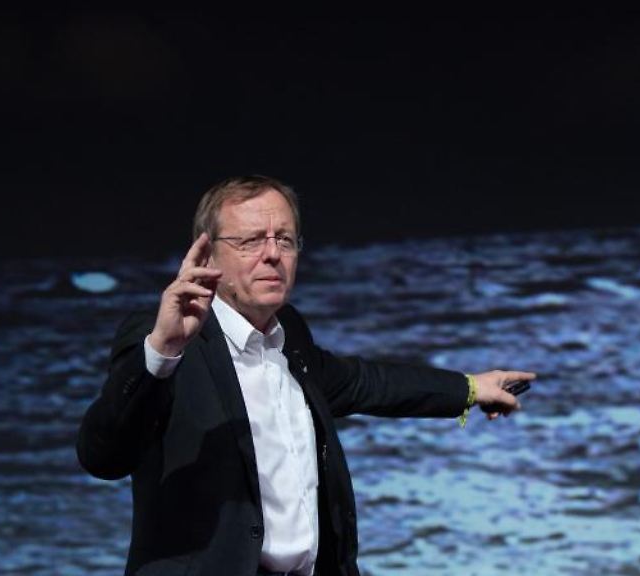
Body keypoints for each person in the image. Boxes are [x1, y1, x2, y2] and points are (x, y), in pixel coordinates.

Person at [77, 175, 535, 576]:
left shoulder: (289, 334)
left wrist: (470, 388)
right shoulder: (165, 336)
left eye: (285, 240)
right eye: (250, 241)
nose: (272, 255)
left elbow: (363, 382)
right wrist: (162, 352)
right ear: (207, 255)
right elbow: (103, 455)